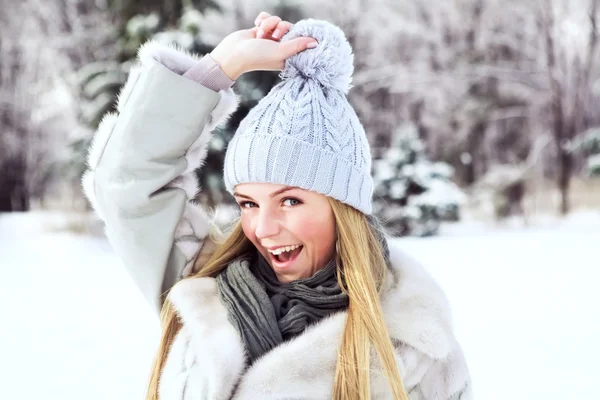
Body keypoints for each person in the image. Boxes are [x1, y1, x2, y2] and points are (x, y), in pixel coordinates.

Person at [82, 12, 472, 400]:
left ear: (344, 207)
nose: (263, 228)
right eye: (248, 203)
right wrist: (219, 69)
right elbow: (125, 185)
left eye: (290, 200)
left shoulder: (415, 348)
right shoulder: (201, 285)